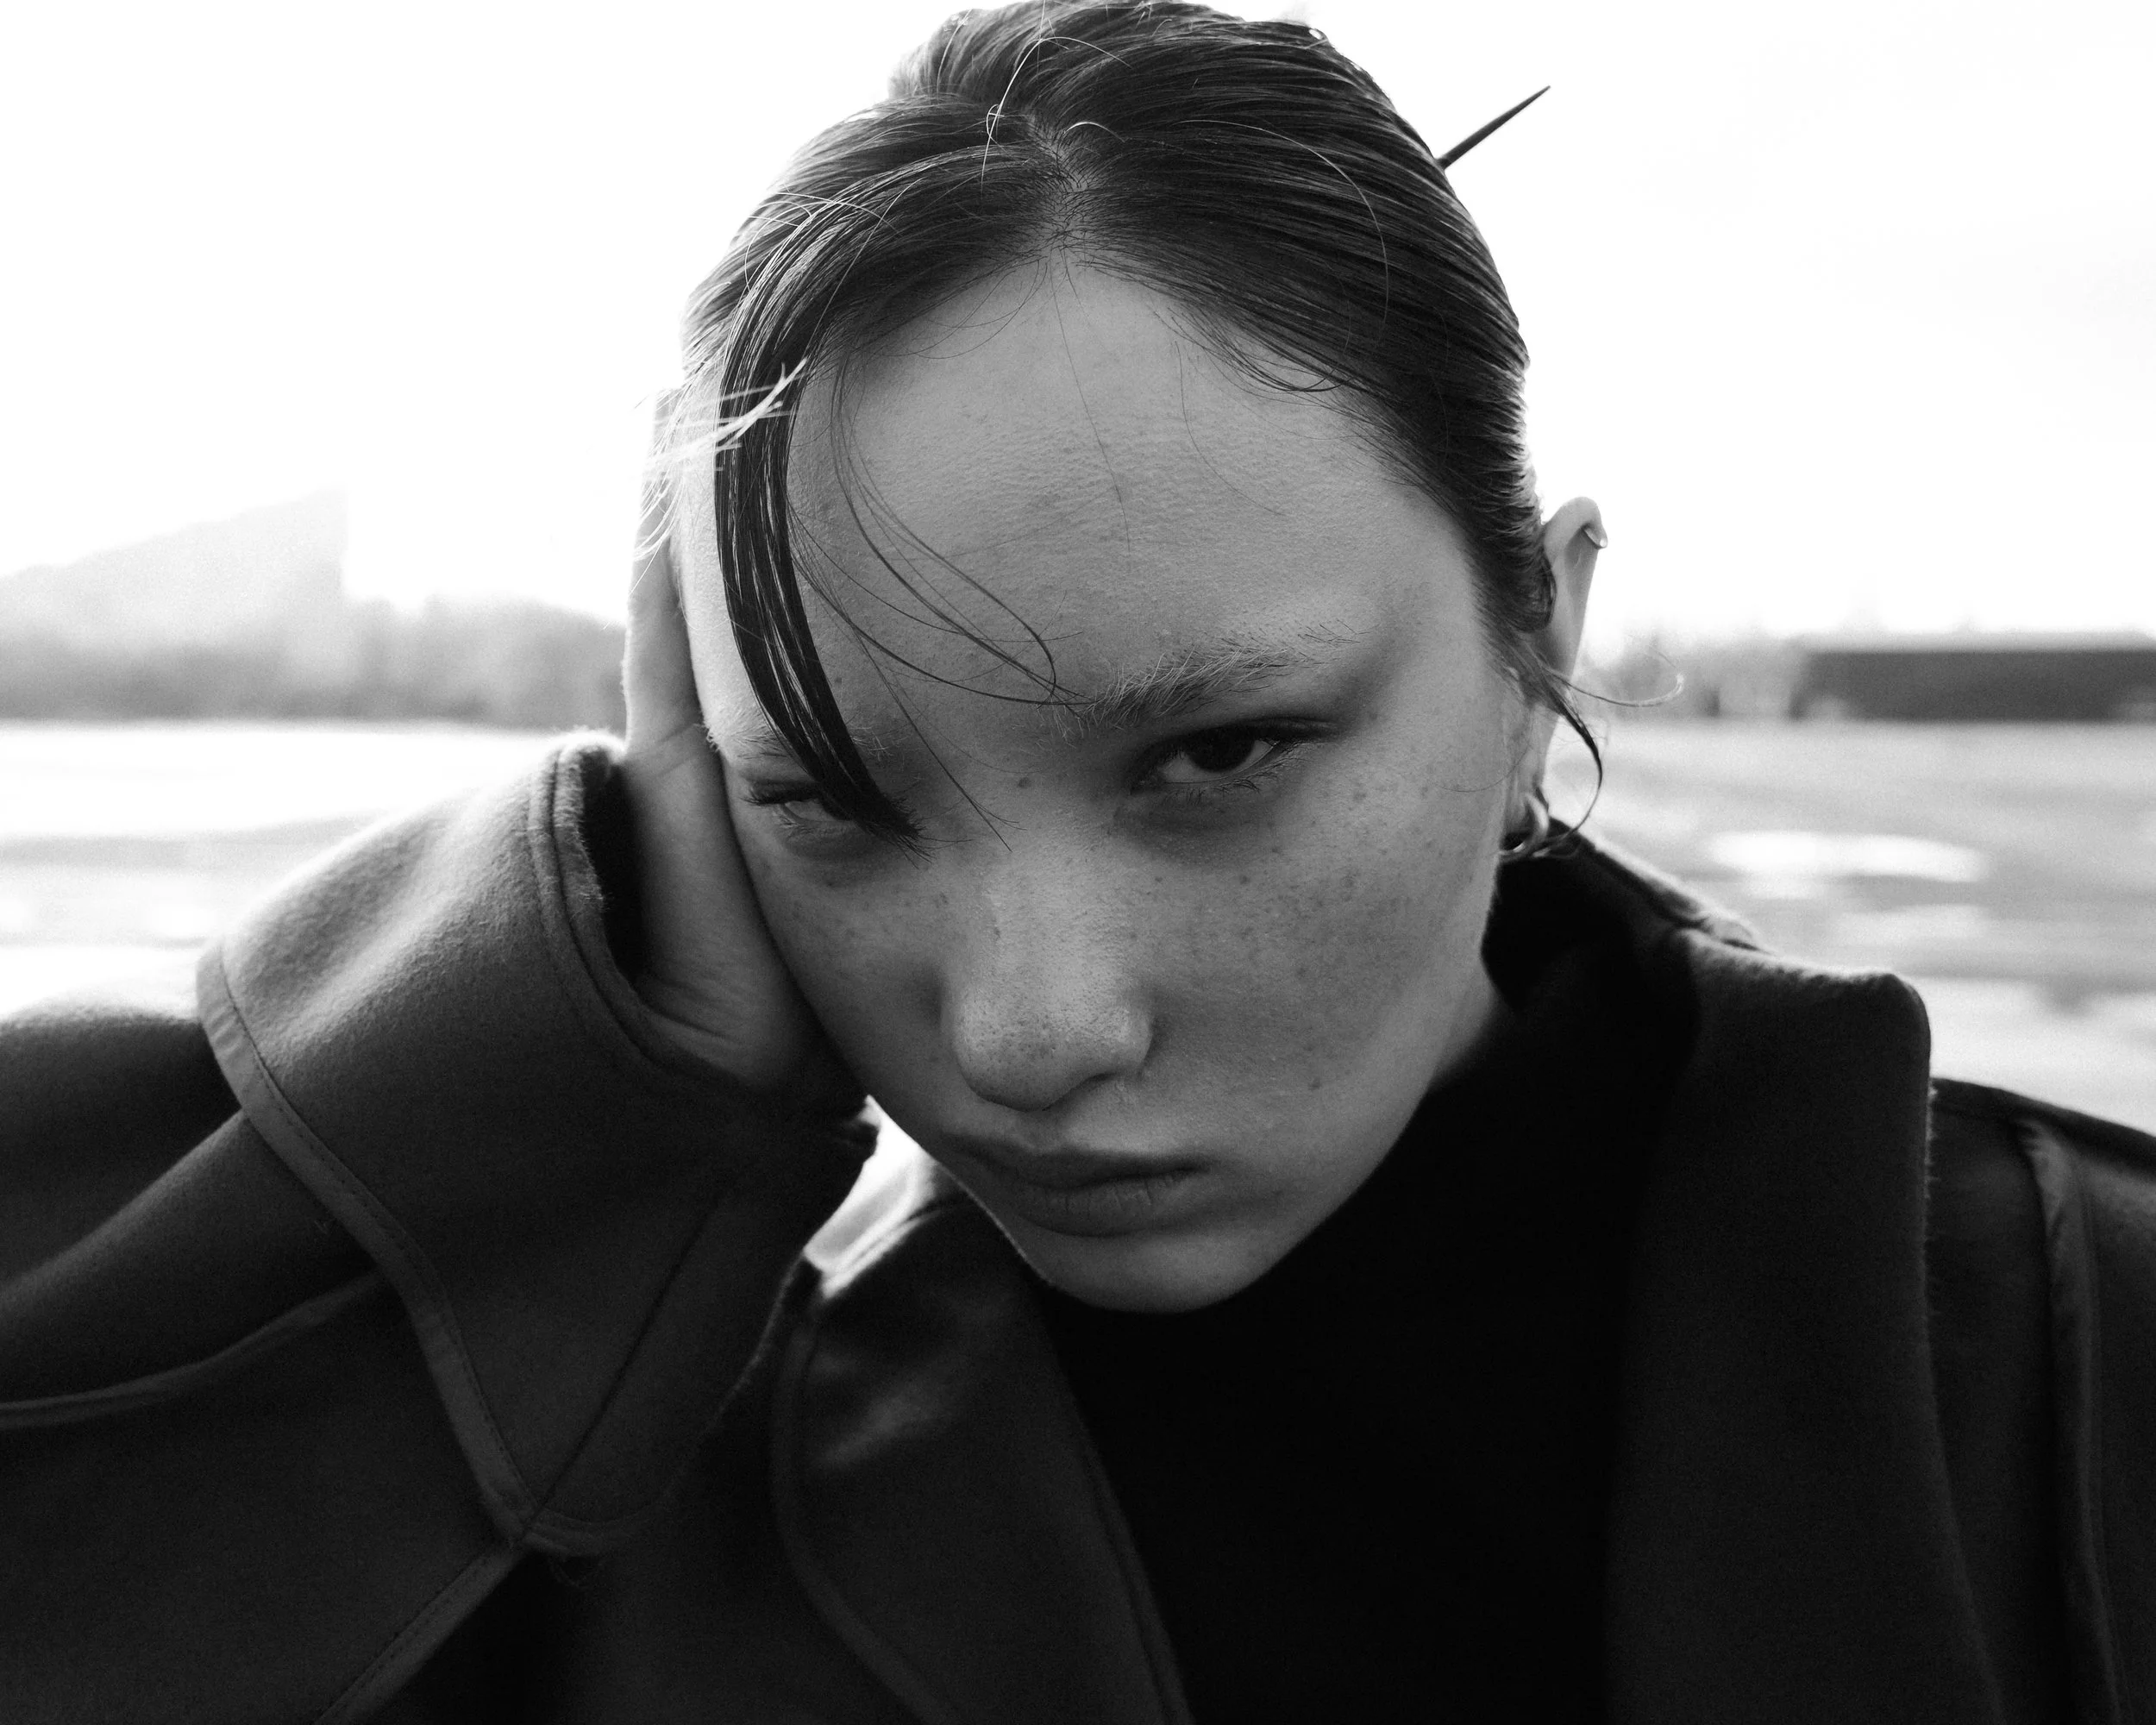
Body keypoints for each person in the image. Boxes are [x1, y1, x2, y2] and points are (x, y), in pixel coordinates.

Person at [3, 3, 2152, 1721]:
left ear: (1538, 641)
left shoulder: (2087, 1361)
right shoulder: (637, 1498)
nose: (1029, 1034)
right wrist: (571, 1042)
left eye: (1216, 749)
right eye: (830, 799)